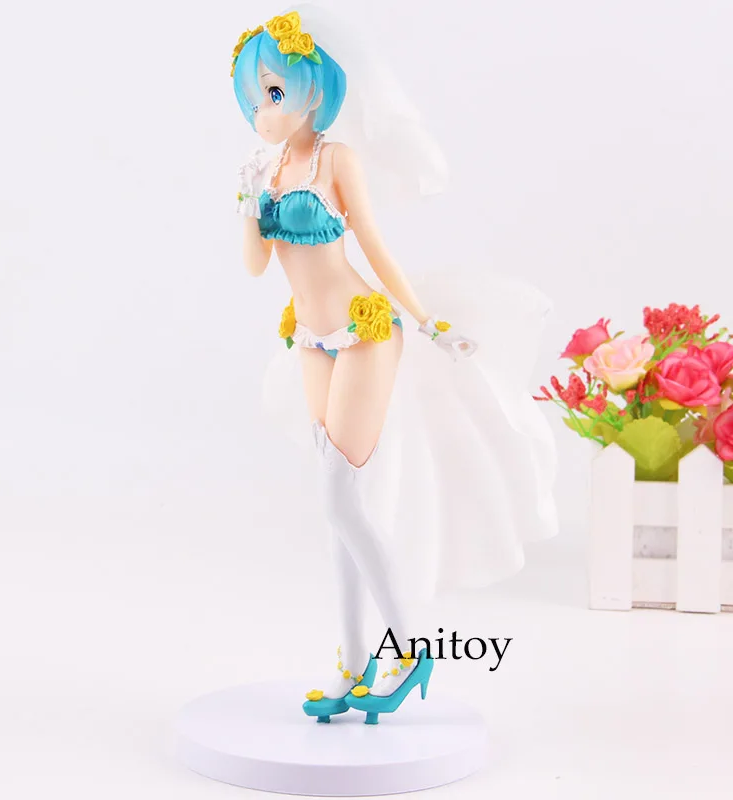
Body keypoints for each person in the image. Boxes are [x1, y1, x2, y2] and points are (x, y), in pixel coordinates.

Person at [231, 6, 558, 725]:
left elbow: (375, 247)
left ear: (315, 90)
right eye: (256, 97)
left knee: (340, 500)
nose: (264, 110)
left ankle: (409, 653)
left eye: (277, 92)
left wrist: (429, 322)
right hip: (309, 338)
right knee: (338, 509)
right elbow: (255, 266)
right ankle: (354, 663)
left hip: (364, 330)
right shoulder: (267, 168)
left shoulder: (335, 160)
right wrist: (250, 205)